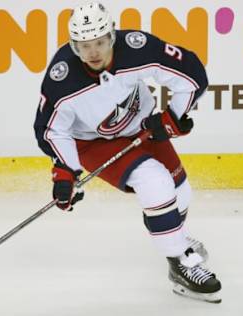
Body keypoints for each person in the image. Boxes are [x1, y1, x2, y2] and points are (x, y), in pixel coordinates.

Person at [33, 2, 222, 303]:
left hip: (143, 127)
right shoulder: (62, 77)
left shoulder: (136, 49)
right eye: (84, 46)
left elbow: (190, 72)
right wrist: (65, 171)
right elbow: (52, 129)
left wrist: (173, 116)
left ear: (112, 36)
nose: (93, 52)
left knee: (181, 194)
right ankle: (180, 261)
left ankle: (172, 236)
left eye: (99, 42)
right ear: (73, 45)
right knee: (156, 183)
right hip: (94, 143)